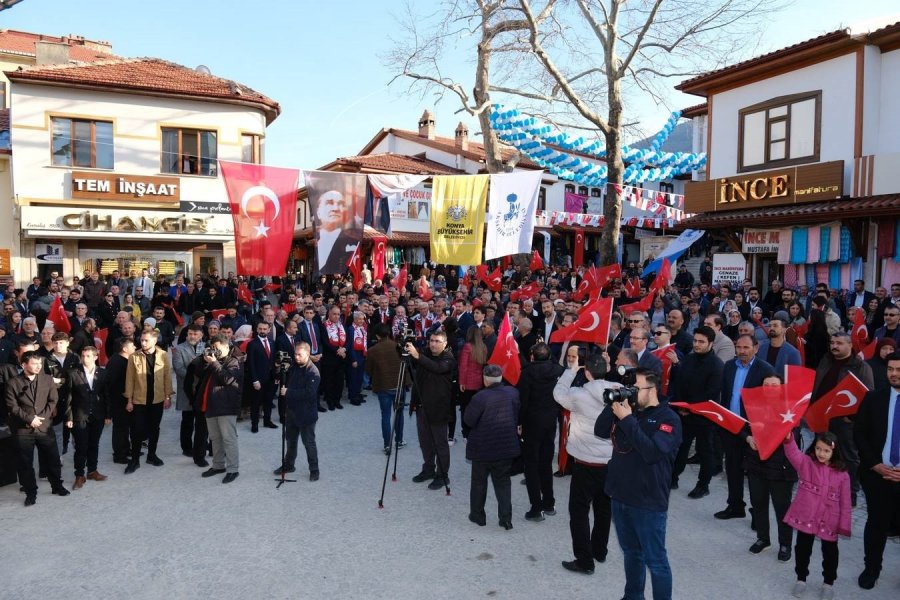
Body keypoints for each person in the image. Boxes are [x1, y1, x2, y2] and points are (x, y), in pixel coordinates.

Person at [594, 369, 681, 600]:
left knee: (656, 561)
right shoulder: (629, 410)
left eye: (636, 388)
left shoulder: (668, 419)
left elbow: (652, 453)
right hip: (620, 495)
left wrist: (628, 419)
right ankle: (632, 596)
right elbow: (599, 430)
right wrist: (613, 403)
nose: (631, 392)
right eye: (629, 387)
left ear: (652, 390)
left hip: (648, 501)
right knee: (631, 553)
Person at [553, 353, 621, 574]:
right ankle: (599, 550)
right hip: (610, 461)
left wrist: (571, 370)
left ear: (587, 372)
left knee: (579, 511)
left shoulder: (578, 394)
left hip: (585, 462)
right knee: (604, 508)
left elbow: (557, 393)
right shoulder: (619, 391)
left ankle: (584, 560)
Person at [782, 432, 851, 600]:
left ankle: (828, 582)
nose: (821, 453)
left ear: (834, 452)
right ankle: (801, 579)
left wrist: (844, 524)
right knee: (802, 549)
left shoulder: (843, 475)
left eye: (826, 450)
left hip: (829, 520)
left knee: (830, 553)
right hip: (806, 516)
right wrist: (789, 439)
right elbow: (793, 453)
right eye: (819, 449)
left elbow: (846, 502)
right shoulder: (806, 463)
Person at [716, 335, 775, 522]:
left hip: (754, 428)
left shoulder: (765, 369)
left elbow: (771, 401)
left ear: (756, 348)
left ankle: (758, 515)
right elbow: (725, 394)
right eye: (738, 347)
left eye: (746, 347)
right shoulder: (729, 366)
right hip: (732, 426)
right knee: (732, 468)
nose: (741, 351)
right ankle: (735, 506)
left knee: (756, 474)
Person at [853, 352, 900, 590]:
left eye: (898, 369)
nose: (893, 374)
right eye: (890, 369)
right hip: (877, 475)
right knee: (876, 525)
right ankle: (871, 569)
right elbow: (859, 434)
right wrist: (875, 465)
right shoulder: (873, 399)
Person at [6, 350, 71, 505]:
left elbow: (53, 400)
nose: (38, 366)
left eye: (39, 363)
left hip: (44, 426)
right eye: (34, 363)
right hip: (23, 429)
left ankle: (57, 486)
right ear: (24, 365)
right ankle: (30, 492)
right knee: (25, 462)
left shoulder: (47, 380)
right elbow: (12, 406)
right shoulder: (13, 383)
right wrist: (30, 419)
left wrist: (42, 418)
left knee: (53, 459)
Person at [464, 364, 521, 531]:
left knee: (479, 483)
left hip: (482, 449)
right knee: (503, 483)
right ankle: (506, 519)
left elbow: (469, 420)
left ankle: (478, 516)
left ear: (485, 379)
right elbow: (515, 415)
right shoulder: (513, 393)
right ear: (501, 378)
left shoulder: (480, 397)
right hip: (505, 448)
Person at [671, 326, 724, 498]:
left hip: (704, 416)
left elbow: (711, 392)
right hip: (684, 413)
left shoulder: (717, 365)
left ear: (710, 343)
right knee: (681, 447)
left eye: (701, 342)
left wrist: (689, 407)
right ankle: (673, 478)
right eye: (695, 341)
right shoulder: (688, 358)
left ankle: (703, 485)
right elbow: (678, 382)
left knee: (705, 451)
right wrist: (681, 405)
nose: (697, 344)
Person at [407, 330, 456, 491]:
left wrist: (418, 356)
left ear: (445, 344)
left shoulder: (448, 358)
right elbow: (414, 363)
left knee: (440, 443)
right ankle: (428, 469)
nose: (433, 344)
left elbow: (437, 368)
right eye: (432, 340)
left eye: (437, 341)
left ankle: (443, 475)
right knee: (425, 442)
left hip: (438, 409)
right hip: (421, 406)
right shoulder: (426, 353)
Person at [190, 334, 243, 483]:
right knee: (215, 438)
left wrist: (214, 363)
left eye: (218, 348)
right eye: (213, 348)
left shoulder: (235, 360)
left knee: (229, 439)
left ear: (227, 346)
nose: (215, 351)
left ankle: (233, 469)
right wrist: (204, 359)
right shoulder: (214, 359)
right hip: (210, 405)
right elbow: (197, 372)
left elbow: (228, 379)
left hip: (226, 406)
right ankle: (218, 465)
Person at [123, 329, 173, 474]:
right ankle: (134, 459)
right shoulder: (134, 357)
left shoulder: (163, 355)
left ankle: (152, 455)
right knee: (137, 430)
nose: (143, 343)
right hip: (139, 400)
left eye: (146, 340)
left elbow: (167, 376)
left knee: (154, 428)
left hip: (157, 399)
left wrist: (167, 396)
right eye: (142, 340)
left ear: (155, 341)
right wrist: (129, 400)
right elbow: (130, 379)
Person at [274, 341, 321, 482]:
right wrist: (279, 368)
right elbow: (280, 374)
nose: (296, 357)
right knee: (290, 441)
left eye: (299, 354)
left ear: (307, 354)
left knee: (309, 443)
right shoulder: (294, 366)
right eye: (295, 354)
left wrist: (289, 392)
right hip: (292, 412)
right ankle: (288, 465)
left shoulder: (313, 372)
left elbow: (309, 393)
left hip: (306, 414)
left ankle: (314, 470)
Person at [67, 345, 110, 489]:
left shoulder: (103, 373)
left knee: (94, 444)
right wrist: (69, 418)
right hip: (79, 416)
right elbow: (68, 398)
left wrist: (108, 415)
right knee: (81, 446)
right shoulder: (73, 372)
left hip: (98, 415)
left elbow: (106, 395)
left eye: (88, 356)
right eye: (83, 356)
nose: (85, 359)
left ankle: (92, 471)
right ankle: (79, 475)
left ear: (95, 357)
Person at [365, 323, 406, 454]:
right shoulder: (399, 346)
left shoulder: (373, 350)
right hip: (399, 384)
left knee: (386, 415)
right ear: (388, 333)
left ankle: (387, 445)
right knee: (399, 413)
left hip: (383, 386)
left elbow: (368, 370)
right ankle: (399, 441)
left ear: (377, 336)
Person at [173, 324, 206, 465]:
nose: (192, 336)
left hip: (203, 390)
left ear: (201, 336)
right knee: (187, 420)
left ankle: (204, 447)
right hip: (187, 390)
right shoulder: (179, 349)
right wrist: (196, 377)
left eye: (195, 334)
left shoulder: (206, 347)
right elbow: (179, 368)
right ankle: (186, 447)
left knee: (202, 422)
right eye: (190, 334)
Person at [314, 189, 360, 274]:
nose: (335, 208)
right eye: (329, 203)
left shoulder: (353, 242)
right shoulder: (314, 240)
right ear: (318, 212)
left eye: (340, 204)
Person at [106, 336, 135, 465]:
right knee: (120, 428)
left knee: (126, 427)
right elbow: (110, 383)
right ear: (124, 348)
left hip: (124, 399)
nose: (135, 347)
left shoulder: (124, 360)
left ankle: (126, 449)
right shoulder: (116, 362)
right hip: (118, 400)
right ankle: (119, 455)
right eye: (132, 346)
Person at [245, 321, 277, 431]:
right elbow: (251, 363)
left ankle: (267, 421)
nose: (262, 331)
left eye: (265, 329)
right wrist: (255, 380)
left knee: (268, 401)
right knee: (256, 403)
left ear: (269, 330)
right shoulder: (252, 344)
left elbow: (273, 361)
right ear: (257, 330)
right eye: (260, 329)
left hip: (271, 378)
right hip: (258, 379)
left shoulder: (272, 342)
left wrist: (276, 376)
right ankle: (255, 424)